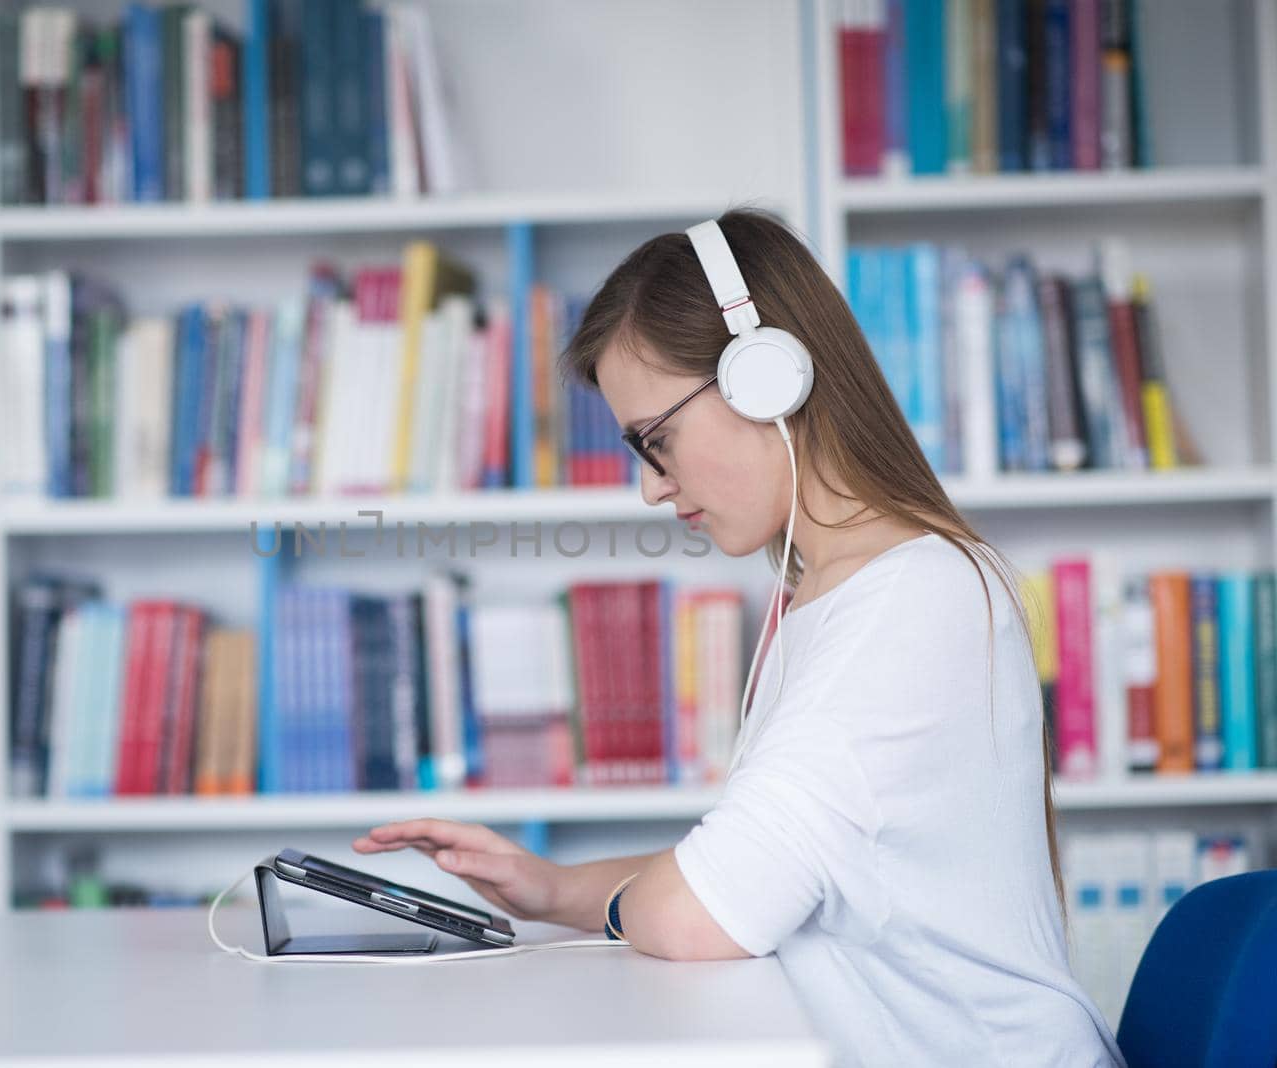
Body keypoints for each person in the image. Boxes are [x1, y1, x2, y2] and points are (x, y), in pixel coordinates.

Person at [353, 209, 1124, 1067]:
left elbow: (695, 912)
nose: (652, 488)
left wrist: (638, 901)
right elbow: (772, 870)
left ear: (768, 380)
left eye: (658, 442)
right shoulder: (833, 592)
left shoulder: (910, 602)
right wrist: (552, 889)